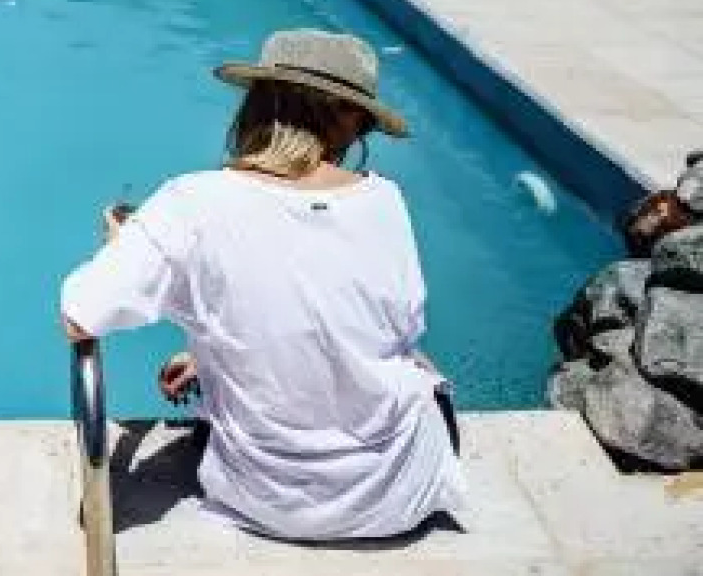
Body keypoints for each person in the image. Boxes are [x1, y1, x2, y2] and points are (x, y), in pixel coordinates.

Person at [60, 29, 466, 541]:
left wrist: (121, 249)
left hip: (266, 500)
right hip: (397, 494)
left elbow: (79, 317)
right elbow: (373, 325)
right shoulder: (384, 201)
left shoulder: (192, 202)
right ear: (353, 123)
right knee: (418, 362)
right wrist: (206, 352)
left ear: (259, 106)